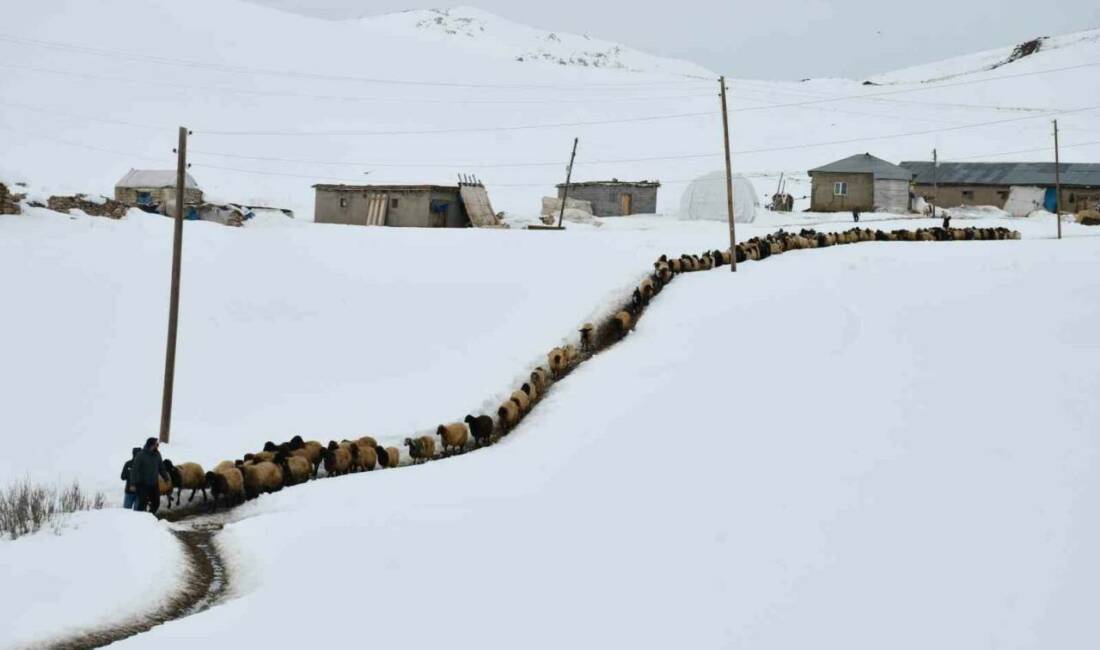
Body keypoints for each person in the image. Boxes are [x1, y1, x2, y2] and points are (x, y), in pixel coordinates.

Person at [131, 437, 169, 514]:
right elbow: (134, 470)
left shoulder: (157, 454)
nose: (158, 446)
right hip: (142, 484)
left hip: (154, 484)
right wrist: (132, 484)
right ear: (151, 445)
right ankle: (137, 519)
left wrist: (166, 478)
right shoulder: (140, 455)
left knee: (156, 503)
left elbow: (161, 467)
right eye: (156, 444)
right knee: (142, 504)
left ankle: (149, 518)